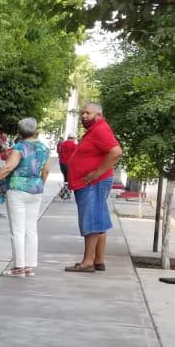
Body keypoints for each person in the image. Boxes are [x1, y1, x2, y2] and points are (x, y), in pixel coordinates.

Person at [0, 118, 52, 276]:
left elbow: (8, 167)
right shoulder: (44, 148)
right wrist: (39, 184)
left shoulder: (20, 147)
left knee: (18, 230)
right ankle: (29, 265)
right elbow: (46, 171)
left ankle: (18, 267)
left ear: (20, 132)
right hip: (36, 190)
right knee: (31, 229)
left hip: (17, 189)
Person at [65, 103, 123, 272]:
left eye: (87, 113)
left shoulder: (100, 129)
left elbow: (116, 152)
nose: (84, 116)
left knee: (90, 220)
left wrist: (97, 173)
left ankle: (87, 262)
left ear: (98, 115)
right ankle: (98, 260)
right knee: (98, 220)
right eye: (82, 112)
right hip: (92, 183)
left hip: (93, 183)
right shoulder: (95, 129)